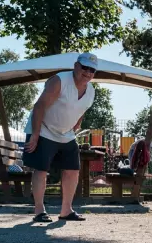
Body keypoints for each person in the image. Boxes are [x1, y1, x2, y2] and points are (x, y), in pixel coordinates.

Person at [23, 53, 97, 222]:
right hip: (44, 129)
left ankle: (66, 210)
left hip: (66, 134)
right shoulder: (59, 81)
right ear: (76, 66)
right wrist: (35, 134)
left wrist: (76, 125)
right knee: (41, 169)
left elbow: (82, 109)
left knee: (73, 170)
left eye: (92, 70)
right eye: (85, 67)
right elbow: (39, 106)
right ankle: (39, 211)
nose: (87, 72)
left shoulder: (91, 91)